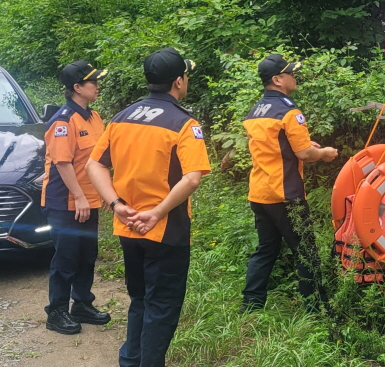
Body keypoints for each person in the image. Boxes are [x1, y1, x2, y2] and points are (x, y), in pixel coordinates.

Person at [86, 48, 211, 367]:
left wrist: (115, 204)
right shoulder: (184, 123)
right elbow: (192, 178)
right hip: (165, 230)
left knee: (140, 299)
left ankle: (130, 360)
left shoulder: (121, 118)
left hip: (128, 226)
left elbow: (94, 165)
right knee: (162, 306)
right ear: (179, 81)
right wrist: (156, 213)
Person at [241, 54, 338, 314]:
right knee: (306, 252)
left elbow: (276, 146)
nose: (294, 77)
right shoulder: (290, 112)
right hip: (285, 194)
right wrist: (324, 153)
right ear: (277, 79)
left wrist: (305, 147)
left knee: (265, 250)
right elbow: (304, 154)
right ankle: (315, 310)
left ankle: (250, 306)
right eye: (290, 73)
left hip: (259, 193)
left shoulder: (255, 111)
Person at [41, 61, 111, 334]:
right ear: (77, 88)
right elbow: (63, 163)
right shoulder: (63, 121)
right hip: (65, 202)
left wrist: (106, 194)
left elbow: (99, 159)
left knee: (87, 255)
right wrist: (79, 197)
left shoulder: (94, 117)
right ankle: (56, 311)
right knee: (66, 258)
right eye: (93, 81)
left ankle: (82, 304)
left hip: (88, 199)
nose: (98, 86)